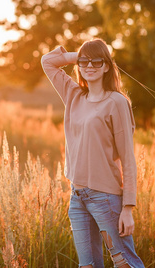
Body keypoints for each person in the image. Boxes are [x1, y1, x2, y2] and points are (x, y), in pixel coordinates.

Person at [41, 39, 145, 268]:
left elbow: (128, 158)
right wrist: (77, 55)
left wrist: (128, 208)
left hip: (105, 197)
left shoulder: (117, 102)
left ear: (107, 66)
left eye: (97, 61)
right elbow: (47, 62)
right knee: (88, 266)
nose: (89, 66)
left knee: (125, 263)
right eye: (84, 62)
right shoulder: (74, 95)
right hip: (77, 197)